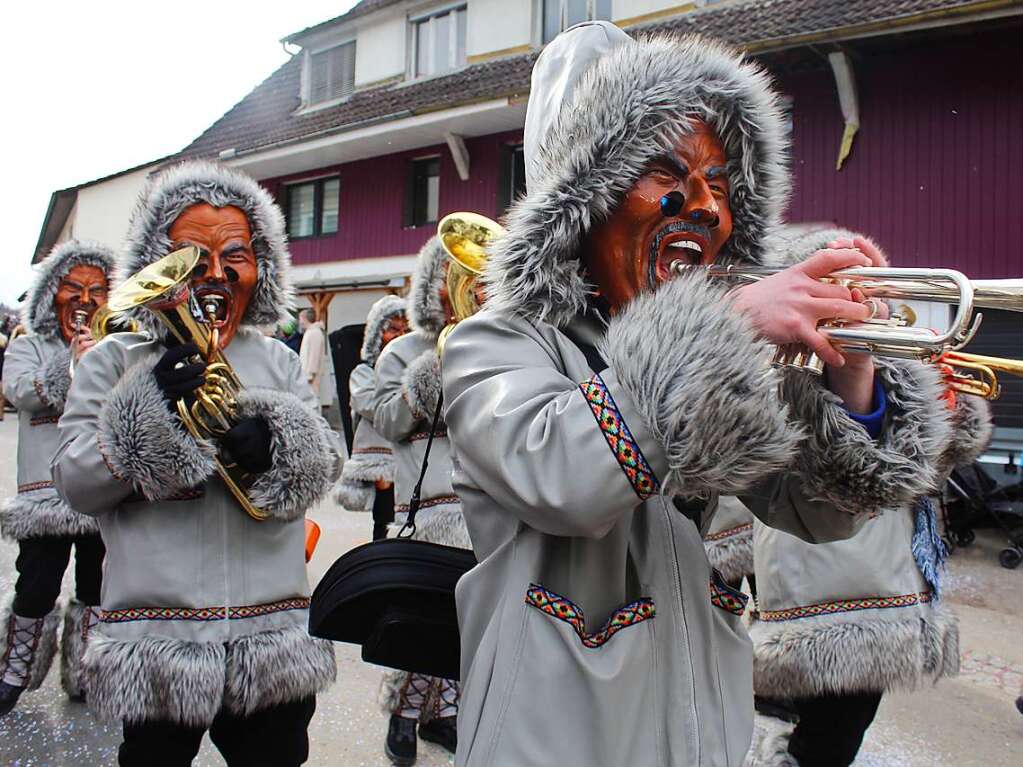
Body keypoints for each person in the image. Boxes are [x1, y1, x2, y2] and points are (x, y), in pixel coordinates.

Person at [440, 23, 953, 766]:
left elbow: (817, 517)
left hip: (698, 721)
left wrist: (853, 378)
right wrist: (725, 327)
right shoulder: (496, 342)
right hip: (549, 728)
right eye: (666, 170)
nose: (708, 208)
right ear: (583, 196)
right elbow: (562, 479)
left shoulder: (711, 349)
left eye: (721, 184)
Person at [52, 161, 340, 767]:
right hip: (157, 645)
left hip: (272, 644)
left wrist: (280, 445)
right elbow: (75, 484)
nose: (214, 274)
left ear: (259, 267)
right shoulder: (112, 362)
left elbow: (326, 466)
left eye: (234, 254)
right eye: (191, 255)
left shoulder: (279, 361)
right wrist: (148, 409)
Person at [747, 228, 993, 767]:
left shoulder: (890, 359)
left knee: (841, 730)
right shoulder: (778, 364)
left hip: (887, 575)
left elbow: (935, 466)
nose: (862, 304)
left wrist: (938, 409)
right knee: (799, 734)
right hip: (827, 578)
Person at [0, 240, 115, 716]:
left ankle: (84, 671)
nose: (85, 300)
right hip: (45, 495)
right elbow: (20, 391)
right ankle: (14, 670)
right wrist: (72, 365)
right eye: (73, 288)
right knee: (36, 587)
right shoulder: (28, 344)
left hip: (97, 488)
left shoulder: (113, 345)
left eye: (97, 290)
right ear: (52, 293)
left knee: (95, 588)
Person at [370, 237, 469, 765]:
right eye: (450, 278)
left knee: (463, 623)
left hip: (482, 509)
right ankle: (404, 717)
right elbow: (386, 418)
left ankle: (446, 713)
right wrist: (429, 377)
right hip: (426, 507)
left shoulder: (491, 341)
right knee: (420, 619)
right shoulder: (399, 351)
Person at [335, 295, 408, 543]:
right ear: (377, 334)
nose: (399, 335)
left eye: (405, 330)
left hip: (407, 453)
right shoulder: (364, 372)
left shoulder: (410, 371)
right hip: (380, 454)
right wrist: (406, 401)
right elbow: (368, 404)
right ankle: (381, 548)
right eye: (392, 329)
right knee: (385, 512)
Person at [299, 308, 327, 404]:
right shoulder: (311, 332)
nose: (300, 322)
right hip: (308, 376)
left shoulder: (314, 333)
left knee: (313, 402)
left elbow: (314, 355)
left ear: (304, 318)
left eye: (300, 319)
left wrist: (310, 374)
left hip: (311, 377)